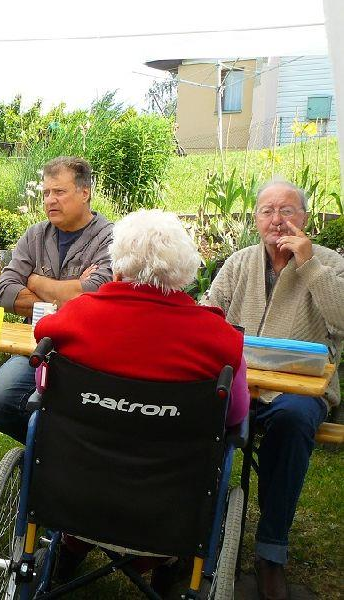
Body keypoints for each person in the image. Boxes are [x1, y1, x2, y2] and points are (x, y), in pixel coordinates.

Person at [32, 209, 250, 593]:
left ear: (117, 267)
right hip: (168, 506)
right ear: (185, 273)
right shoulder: (220, 339)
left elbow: (44, 381)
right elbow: (235, 416)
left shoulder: (73, 319)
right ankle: (165, 559)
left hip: (75, 490)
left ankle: (72, 543)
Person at [202, 180, 344, 600]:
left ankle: (270, 554)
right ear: (256, 220)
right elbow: (212, 312)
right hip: (242, 388)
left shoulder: (330, 263)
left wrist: (309, 266)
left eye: (287, 210)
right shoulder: (240, 263)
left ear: (305, 218)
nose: (277, 219)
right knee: (190, 407)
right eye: (267, 211)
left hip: (297, 395)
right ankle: (192, 539)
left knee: (294, 418)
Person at [0, 156, 114, 442]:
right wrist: (71, 292)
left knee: (80, 413)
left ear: (84, 193)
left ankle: (60, 453)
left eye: (59, 192)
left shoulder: (109, 238)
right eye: (46, 193)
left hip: (86, 359)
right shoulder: (35, 236)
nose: (50, 200)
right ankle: (49, 450)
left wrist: (35, 281)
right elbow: (4, 291)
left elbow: (98, 294)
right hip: (36, 352)